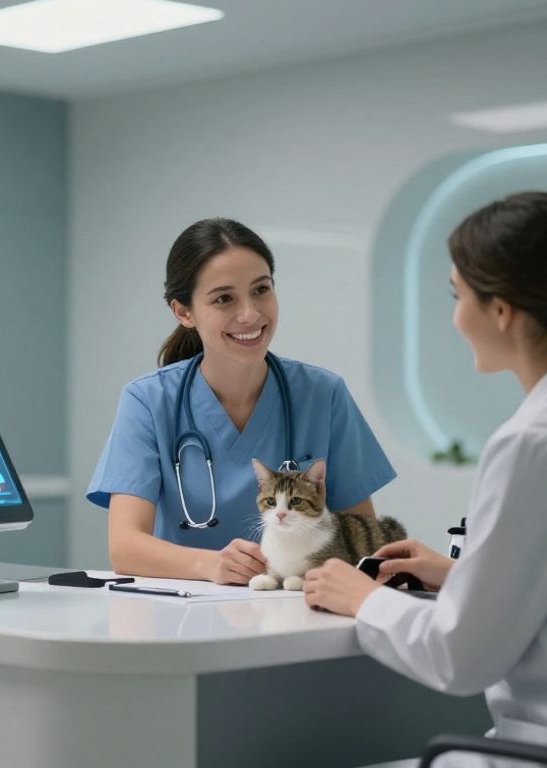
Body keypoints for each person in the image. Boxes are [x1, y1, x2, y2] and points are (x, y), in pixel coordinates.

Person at [303, 192, 547, 767]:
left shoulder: (537, 441)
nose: (455, 316)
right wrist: (461, 575)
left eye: (458, 296)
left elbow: (461, 658)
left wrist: (362, 599)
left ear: (502, 310)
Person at [87, 217, 396, 585]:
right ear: (184, 312)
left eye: (261, 290)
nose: (250, 313)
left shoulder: (323, 394)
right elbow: (125, 547)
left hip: (296, 613)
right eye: (224, 298)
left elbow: (362, 539)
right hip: (183, 621)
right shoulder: (148, 401)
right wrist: (210, 565)